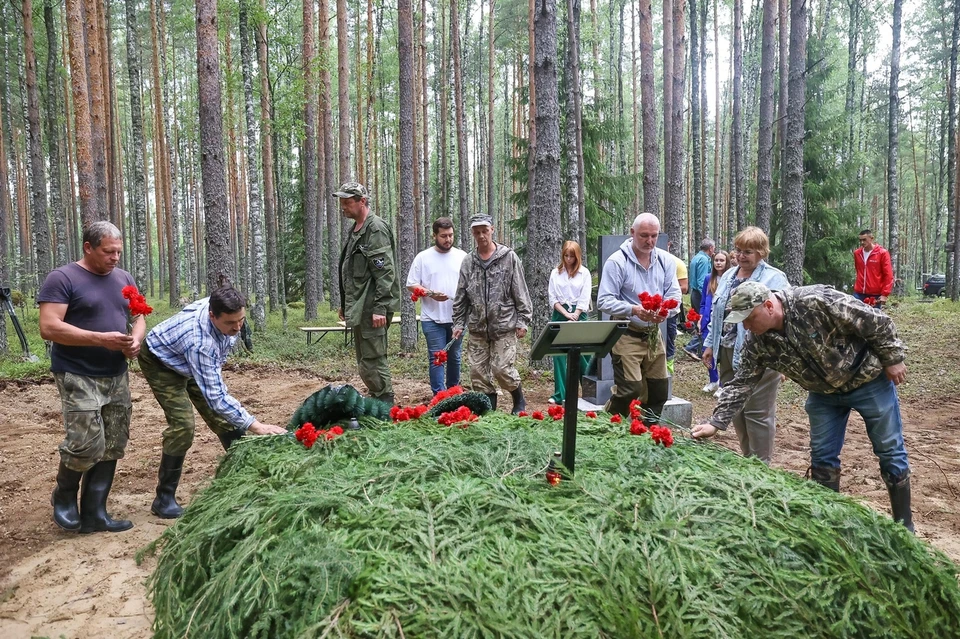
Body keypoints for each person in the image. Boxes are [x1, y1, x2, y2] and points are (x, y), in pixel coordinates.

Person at [692, 282, 915, 531]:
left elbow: (877, 321)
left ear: (768, 306)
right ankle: (830, 527)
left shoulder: (814, 301)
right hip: (823, 395)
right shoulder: (758, 342)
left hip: (867, 381)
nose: (746, 326)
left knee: (889, 450)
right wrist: (716, 422)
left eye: (749, 318)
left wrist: (893, 358)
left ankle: (904, 528)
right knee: (822, 457)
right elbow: (742, 383)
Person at [138, 286, 288, 519]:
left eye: (241, 320)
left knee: (225, 418)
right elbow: (216, 397)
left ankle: (249, 479)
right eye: (230, 323)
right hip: (161, 360)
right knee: (183, 426)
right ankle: (164, 498)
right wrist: (256, 425)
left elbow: (216, 394)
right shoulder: (200, 343)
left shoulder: (224, 310)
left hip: (190, 359)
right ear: (212, 315)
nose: (237, 327)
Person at [38, 221, 144, 534]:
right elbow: (49, 327)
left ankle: (96, 511)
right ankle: (65, 496)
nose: (115, 258)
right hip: (76, 371)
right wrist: (101, 339)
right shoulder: (63, 278)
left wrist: (136, 339)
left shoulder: (124, 278)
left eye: (119, 252)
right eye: (108, 251)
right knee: (85, 442)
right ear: (88, 247)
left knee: (113, 442)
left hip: (115, 373)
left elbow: (138, 315)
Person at [701, 227, 788, 464]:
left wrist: (783, 362)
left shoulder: (774, 278)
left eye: (748, 252)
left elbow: (782, 321)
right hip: (728, 351)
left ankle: (761, 466)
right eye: (738, 250)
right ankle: (748, 460)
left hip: (762, 355)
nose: (741, 256)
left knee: (757, 412)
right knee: (734, 407)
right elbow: (717, 314)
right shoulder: (728, 276)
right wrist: (710, 344)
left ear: (761, 252)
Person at [596, 213, 681, 421]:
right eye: (644, 235)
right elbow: (603, 301)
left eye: (654, 236)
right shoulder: (617, 262)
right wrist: (634, 309)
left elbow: (675, 295)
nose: (650, 241)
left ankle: (648, 431)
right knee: (630, 389)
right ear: (632, 233)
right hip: (625, 332)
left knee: (659, 388)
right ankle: (610, 426)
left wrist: (664, 312)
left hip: (652, 333)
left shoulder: (666, 260)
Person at [452, 214, 533, 414]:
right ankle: (489, 411)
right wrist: (458, 323)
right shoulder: (468, 262)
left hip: (504, 326)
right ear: (472, 233)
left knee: (502, 369)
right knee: (478, 374)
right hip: (478, 328)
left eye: (484, 231)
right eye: (477, 232)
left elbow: (520, 290)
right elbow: (461, 296)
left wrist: (523, 319)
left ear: (492, 230)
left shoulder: (508, 258)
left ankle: (519, 400)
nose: (481, 236)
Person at [335, 181, 401, 404]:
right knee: (364, 359)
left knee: (373, 357)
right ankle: (377, 396)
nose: (343, 207)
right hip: (360, 305)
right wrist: (346, 304)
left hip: (373, 306)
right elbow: (351, 272)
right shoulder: (355, 230)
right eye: (342, 202)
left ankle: (385, 402)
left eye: (347, 202)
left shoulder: (375, 229)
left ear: (362, 202)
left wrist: (380, 307)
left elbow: (385, 273)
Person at [406, 217, 467, 395]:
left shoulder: (462, 257)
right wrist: (431, 294)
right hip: (432, 317)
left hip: (457, 318)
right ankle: (439, 396)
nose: (447, 239)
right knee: (437, 357)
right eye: (443, 236)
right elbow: (411, 284)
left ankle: (453, 393)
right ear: (434, 236)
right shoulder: (423, 258)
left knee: (455, 357)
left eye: (450, 235)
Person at [547, 240, 591, 404]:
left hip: (579, 314)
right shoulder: (555, 273)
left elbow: (585, 296)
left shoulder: (584, 273)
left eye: (572, 256)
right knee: (559, 355)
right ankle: (560, 394)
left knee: (583, 354)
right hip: (560, 314)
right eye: (566, 255)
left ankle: (588, 391)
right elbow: (553, 297)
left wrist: (576, 313)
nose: (568, 259)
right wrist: (566, 313)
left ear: (577, 256)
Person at [697, 250, 730, 393]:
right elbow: (704, 301)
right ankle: (713, 380)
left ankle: (723, 384)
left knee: (723, 354)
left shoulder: (731, 279)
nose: (718, 263)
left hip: (724, 321)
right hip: (708, 319)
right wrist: (701, 317)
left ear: (727, 262)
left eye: (722, 260)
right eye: (716, 260)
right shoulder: (708, 278)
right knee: (706, 351)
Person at [684, 237, 715, 358]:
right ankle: (692, 347)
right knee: (704, 323)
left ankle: (697, 348)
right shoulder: (703, 259)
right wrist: (709, 295)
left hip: (695, 293)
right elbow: (702, 281)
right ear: (711, 248)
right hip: (701, 294)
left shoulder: (696, 257)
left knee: (700, 323)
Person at [664, 243, 688, 376]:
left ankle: (669, 365)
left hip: (670, 309)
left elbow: (684, 288)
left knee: (670, 335)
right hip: (649, 310)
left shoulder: (677, 263)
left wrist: (669, 289)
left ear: (669, 245)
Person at [853, 229, 894, 307]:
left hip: (875, 295)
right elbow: (858, 270)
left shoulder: (882, 253)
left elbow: (888, 275)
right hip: (858, 293)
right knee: (854, 317)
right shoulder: (857, 253)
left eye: (864, 240)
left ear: (871, 238)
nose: (862, 242)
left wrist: (885, 294)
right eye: (860, 240)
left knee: (873, 318)